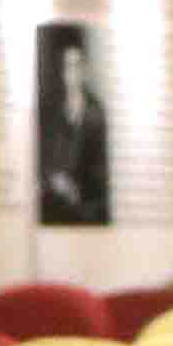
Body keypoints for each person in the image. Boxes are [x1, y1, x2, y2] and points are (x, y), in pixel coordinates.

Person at [34, 22, 111, 228]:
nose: (71, 73)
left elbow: (101, 172)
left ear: (84, 69)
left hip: (85, 206)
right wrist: (53, 179)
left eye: (76, 65)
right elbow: (44, 156)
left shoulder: (96, 112)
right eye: (67, 66)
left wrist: (77, 190)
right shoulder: (51, 109)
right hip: (55, 200)